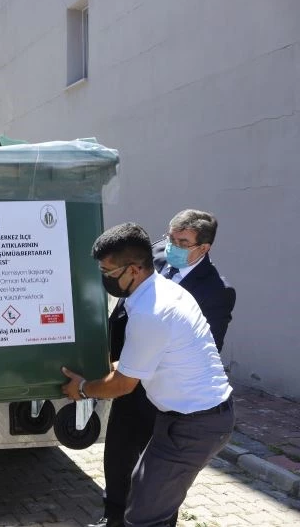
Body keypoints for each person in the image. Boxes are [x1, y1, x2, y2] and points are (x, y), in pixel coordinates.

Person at [62, 222, 234, 527]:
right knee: (143, 498)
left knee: (144, 518)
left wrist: (85, 388)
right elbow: (130, 366)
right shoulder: (158, 290)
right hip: (182, 419)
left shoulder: (152, 311)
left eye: (109, 272)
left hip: (196, 424)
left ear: (134, 269)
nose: (105, 279)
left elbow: (124, 385)